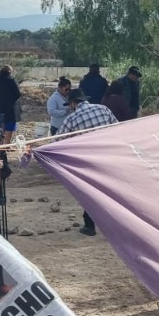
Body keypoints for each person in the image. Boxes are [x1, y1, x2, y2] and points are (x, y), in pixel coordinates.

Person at [56, 88, 120, 235]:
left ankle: (90, 225)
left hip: (89, 161)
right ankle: (115, 225)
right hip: (110, 158)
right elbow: (118, 129)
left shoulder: (71, 119)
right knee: (110, 192)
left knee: (90, 193)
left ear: (73, 104)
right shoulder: (103, 109)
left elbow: (57, 141)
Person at [0, 66, 21, 133]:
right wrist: (11, 100)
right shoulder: (12, 81)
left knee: (0, 126)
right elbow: (18, 94)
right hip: (10, 108)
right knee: (9, 127)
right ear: (10, 72)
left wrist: (0, 98)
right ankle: (7, 142)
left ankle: (0, 141)